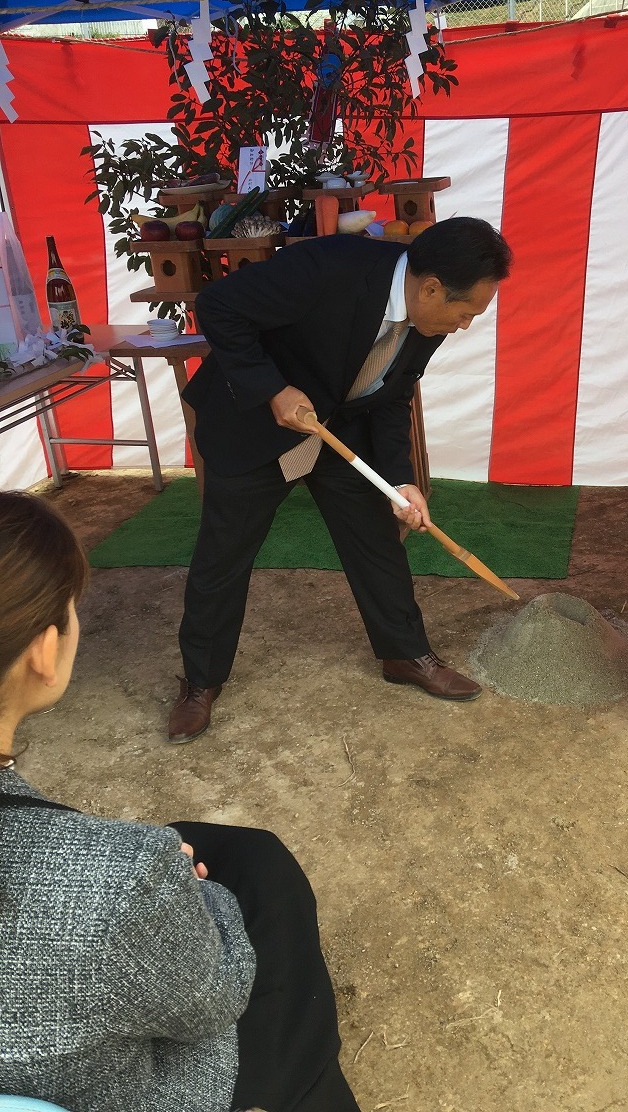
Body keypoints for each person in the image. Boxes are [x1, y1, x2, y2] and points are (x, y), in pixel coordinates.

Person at [0, 491, 361, 1112]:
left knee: (219, 844)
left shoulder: (121, 866)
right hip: (131, 1091)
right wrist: (193, 895)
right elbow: (210, 1003)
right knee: (262, 875)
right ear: (42, 651)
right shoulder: (123, 875)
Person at [171, 216, 513, 744]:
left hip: (342, 429)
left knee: (377, 540)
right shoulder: (328, 266)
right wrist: (272, 390)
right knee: (224, 555)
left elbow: (394, 396)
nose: (464, 325)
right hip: (257, 423)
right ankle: (200, 682)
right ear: (431, 288)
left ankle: (404, 653)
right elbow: (219, 307)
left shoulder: (428, 321)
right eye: (465, 313)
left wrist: (401, 479)